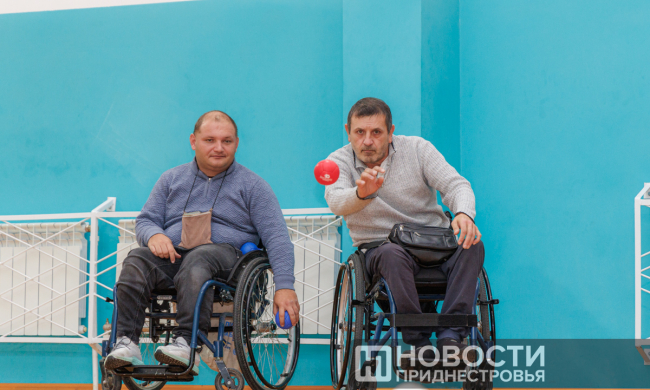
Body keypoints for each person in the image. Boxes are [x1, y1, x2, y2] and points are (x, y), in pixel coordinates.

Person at [105, 110, 300, 374]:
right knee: (137, 258)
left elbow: (277, 237)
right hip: (176, 258)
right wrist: (154, 235)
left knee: (200, 257)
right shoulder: (171, 179)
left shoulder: (253, 186)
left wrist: (285, 286)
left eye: (226, 141)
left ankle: (187, 344)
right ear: (193, 141)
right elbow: (146, 220)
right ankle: (126, 343)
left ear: (236, 143)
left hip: (228, 263)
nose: (219, 148)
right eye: (210, 140)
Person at [324, 97, 484, 365]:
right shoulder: (338, 161)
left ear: (391, 132)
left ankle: (451, 337)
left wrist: (464, 214)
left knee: (472, 244)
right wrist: (361, 194)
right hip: (381, 249)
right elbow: (336, 201)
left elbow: (456, 185)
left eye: (376, 132)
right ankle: (419, 343)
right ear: (348, 132)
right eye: (359, 132)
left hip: (434, 243)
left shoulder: (418, 149)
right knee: (391, 254)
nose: (367, 141)